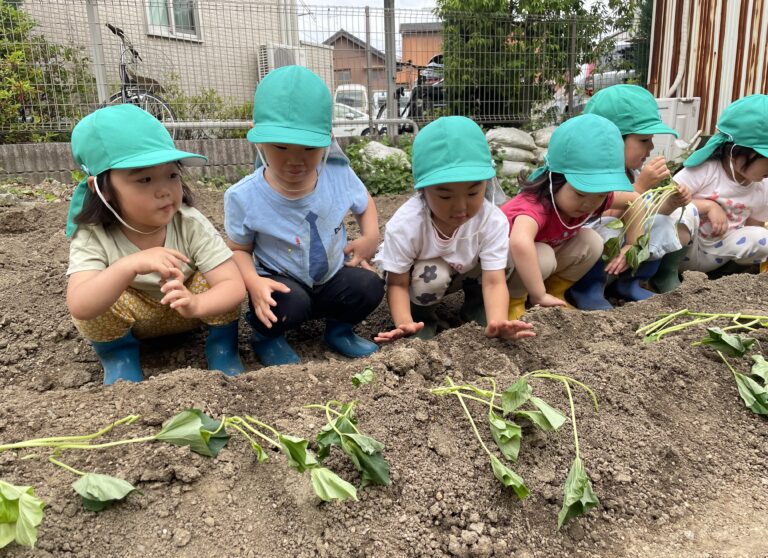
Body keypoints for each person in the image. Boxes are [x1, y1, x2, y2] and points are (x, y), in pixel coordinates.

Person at [66, 104, 246, 385]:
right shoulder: (93, 234)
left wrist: (197, 304)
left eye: (172, 175)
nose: (164, 190)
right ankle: (119, 356)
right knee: (96, 298)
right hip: (134, 319)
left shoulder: (189, 222)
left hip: (186, 308)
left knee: (215, 274)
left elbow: (233, 285)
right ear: (101, 189)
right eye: (145, 179)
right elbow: (80, 304)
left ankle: (222, 346)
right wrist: (128, 266)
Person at [224, 65, 383, 366]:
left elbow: (365, 204)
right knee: (288, 302)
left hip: (331, 275)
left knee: (369, 286)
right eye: (281, 147)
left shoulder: (338, 174)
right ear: (257, 139)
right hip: (283, 281)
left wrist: (370, 237)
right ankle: (267, 338)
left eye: (309, 148)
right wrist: (253, 283)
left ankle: (339, 331)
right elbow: (239, 250)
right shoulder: (244, 196)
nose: (295, 160)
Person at [373, 116, 535, 343]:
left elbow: (494, 281)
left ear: (486, 184)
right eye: (445, 195)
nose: (460, 207)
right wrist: (404, 322)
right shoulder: (406, 225)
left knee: (507, 254)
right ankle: (422, 319)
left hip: (466, 271)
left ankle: (477, 308)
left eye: (472, 193)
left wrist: (497, 322)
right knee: (433, 275)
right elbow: (397, 283)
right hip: (422, 278)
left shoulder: (492, 220)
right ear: (423, 190)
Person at [566, 85, 693, 309]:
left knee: (662, 222)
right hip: (581, 254)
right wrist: (641, 187)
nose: (651, 147)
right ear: (611, 140)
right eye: (644, 140)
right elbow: (599, 215)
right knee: (607, 229)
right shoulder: (590, 173)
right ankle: (588, 289)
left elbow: (640, 212)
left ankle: (631, 283)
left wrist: (669, 204)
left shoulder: (630, 171)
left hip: (620, 258)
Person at [502, 114, 640, 320]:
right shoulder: (534, 206)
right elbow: (520, 243)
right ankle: (514, 302)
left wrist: (632, 244)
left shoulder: (593, 199)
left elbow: (636, 200)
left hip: (538, 260)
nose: (589, 204)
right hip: (500, 267)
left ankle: (555, 292)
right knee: (544, 256)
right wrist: (538, 294)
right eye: (580, 193)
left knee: (591, 241)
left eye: (600, 195)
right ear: (555, 179)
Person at [671, 94, 768, 276]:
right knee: (682, 210)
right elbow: (664, 201)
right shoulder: (705, 170)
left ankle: (726, 278)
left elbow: (754, 226)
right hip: (686, 248)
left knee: (762, 238)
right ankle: (666, 274)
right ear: (736, 152)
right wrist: (708, 206)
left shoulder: (763, 186)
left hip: (721, 251)